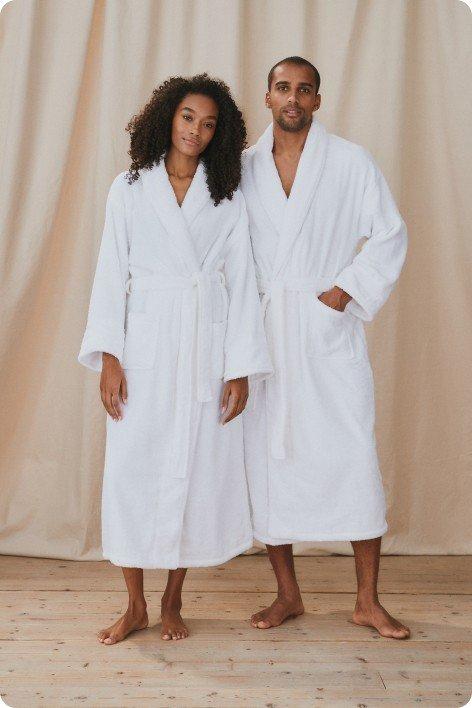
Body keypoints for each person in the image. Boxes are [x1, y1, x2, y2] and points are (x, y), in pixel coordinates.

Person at [78, 74, 273, 644]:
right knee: (133, 469)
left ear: (221, 133)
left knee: (196, 465)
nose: (196, 130)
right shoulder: (129, 187)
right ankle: (134, 603)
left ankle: (171, 600)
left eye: (209, 124)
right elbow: (111, 273)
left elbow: (241, 282)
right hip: (145, 345)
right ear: (168, 117)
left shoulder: (226, 194)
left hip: (205, 346)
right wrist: (110, 356)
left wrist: (239, 365)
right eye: (189, 117)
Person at [241, 57, 410, 639]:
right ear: (267, 97)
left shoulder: (349, 160)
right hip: (267, 335)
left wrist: (348, 289)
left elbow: (389, 231)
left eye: (304, 89)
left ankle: (367, 600)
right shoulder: (243, 168)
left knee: (353, 458)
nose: (293, 98)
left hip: (323, 328)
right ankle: (288, 594)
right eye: (283, 88)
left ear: (318, 99)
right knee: (269, 463)